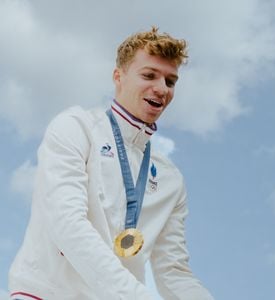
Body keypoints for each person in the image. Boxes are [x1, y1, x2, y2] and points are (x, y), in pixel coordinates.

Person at [9, 27, 214, 300]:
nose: (161, 88)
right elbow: (67, 223)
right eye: (149, 75)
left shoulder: (170, 178)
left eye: (171, 81)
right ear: (119, 77)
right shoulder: (76, 128)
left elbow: (173, 271)